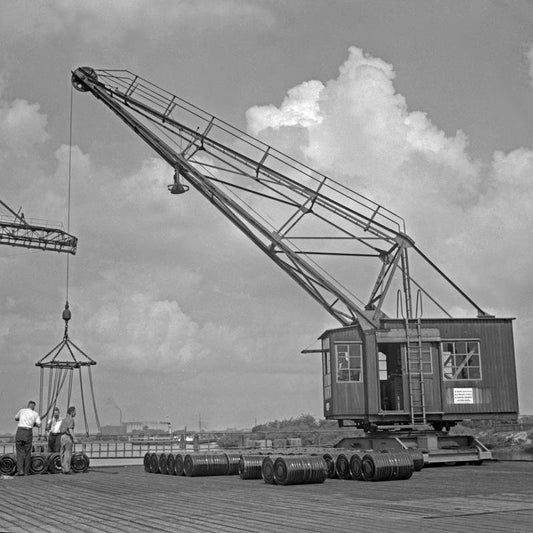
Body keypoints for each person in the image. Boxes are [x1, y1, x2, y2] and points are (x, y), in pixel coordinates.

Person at [14, 400, 41, 476]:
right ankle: (26, 471)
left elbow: (16, 418)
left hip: (20, 431)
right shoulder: (35, 414)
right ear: (33, 407)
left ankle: (20, 470)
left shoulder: (22, 411)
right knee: (28, 452)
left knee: (20, 451)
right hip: (28, 432)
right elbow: (39, 425)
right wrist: (33, 423)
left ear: (28, 405)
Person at [58, 406, 77, 474]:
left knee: (62, 453)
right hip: (67, 437)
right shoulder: (71, 420)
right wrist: (74, 438)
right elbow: (70, 429)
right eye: (75, 412)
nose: (75, 413)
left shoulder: (64, 420)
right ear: (72, 412)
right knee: (68, 453)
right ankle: (67, 469)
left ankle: (63, 468)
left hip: (62, 437)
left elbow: (60, 429)